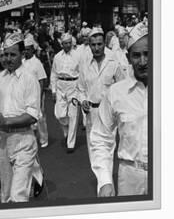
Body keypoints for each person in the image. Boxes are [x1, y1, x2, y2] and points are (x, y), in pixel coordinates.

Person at [0, 33, 41, 203]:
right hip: (3, 141)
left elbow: (32, 115)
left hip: (23, 139)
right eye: (4, 54)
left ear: (22, 55)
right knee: (6, 195)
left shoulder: (29, 79)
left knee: (18, 195)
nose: (8, 59)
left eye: (12, 54)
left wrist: (7, 121)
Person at [90, 22, 148, 197]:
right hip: (130, 177)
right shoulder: (116, 93)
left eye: (148, 54)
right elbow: (101, 138)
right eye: (137, 55)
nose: (143, 61)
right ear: (128, 58)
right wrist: (105, 181)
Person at [77, 27, 125, 166]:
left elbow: (121, 88)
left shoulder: (113, 63)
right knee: (93, 149)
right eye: (93, 44)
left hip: (108, 114)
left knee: (107, 150)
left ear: (104, 44)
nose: (96, 48)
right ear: (89, 45)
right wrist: (83, 100)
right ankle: (101, 181)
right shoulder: (85, 65)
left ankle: (105, 182)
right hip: (91, 112)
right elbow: (80, 89)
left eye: (99, 44)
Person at [50, 32, 81, 152]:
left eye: (69, 43)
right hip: (60, 85)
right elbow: (53, 73)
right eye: (65, 43)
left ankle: (71, 143)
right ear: (61, 44)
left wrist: (81, 89)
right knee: (59, 114)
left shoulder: (78, 56)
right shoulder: (57, 56)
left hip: (73, 85)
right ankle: (66, 131)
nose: (68, 45)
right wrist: (53, 90)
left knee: (73, 115)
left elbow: (82, 72)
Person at [22, 35, 49, 148]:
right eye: (25, 49)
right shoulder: (22, 62)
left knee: (40, 117)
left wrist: (41, 95)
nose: (26, 52)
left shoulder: (37, 63)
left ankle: (43, 138)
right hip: (24, 94)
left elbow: (42, 80)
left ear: (32, 49)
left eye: (28, 49)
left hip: (36, 93)